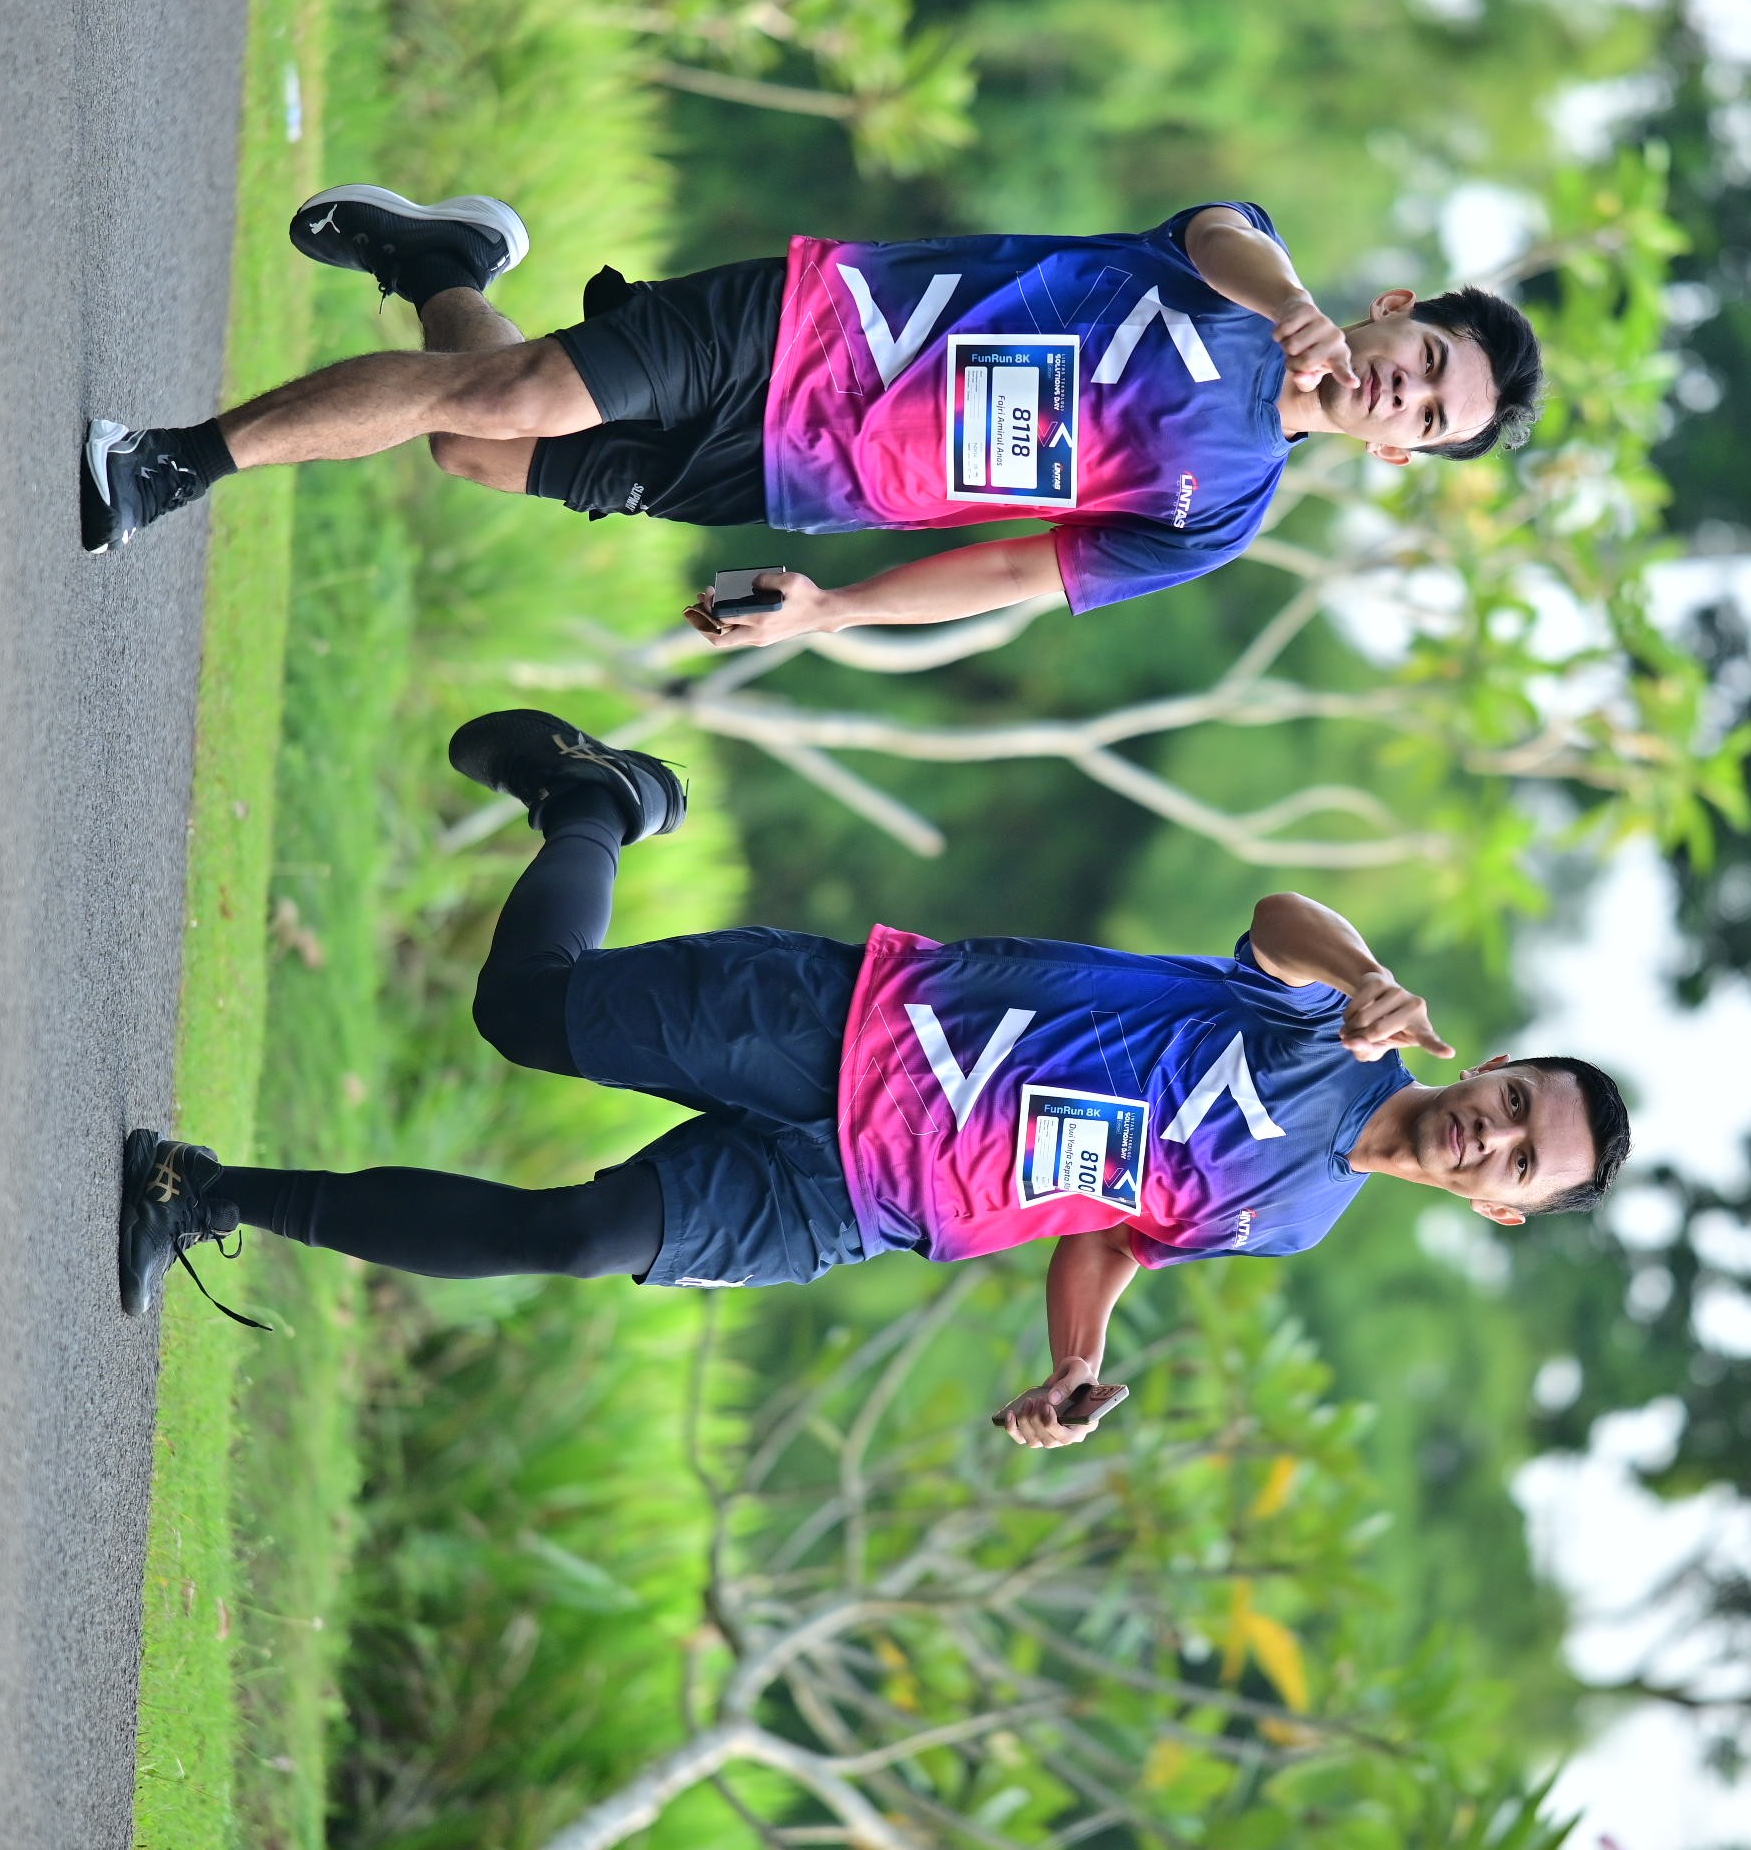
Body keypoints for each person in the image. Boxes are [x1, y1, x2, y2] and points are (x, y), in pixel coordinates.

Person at [120, 709, 1629, 1446]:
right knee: (524, 1014)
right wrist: (1360, 973)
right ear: (1495, 1067)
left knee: (569, 1237)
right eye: (1515, 1105)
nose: (1490, 1137)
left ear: (1499, 1211)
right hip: (851, 1027)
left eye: (1519, 1162)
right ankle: (594, 804)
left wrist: (1074, 1365)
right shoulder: (1339, 1023)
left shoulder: (1296, 1219)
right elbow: (1280, 916)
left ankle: (203, 1195)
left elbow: (1108, 1236)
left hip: (859, 1200)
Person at [81, 184, 1545, 645]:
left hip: (796, 473)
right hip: (810, 325)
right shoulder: (1242, 273)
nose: (1404, 391)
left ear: (1400, 450)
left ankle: (439, 265)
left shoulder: (1220, 510)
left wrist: (835, 613)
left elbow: (1014, 570)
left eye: (1428, 417)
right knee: (516, 389)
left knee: (478, 441)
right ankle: (170, 464)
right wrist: (1285, 305)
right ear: (1393, 311)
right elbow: (1226, 231)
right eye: (1423, 360)